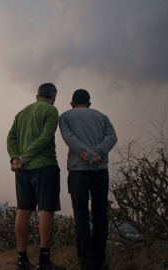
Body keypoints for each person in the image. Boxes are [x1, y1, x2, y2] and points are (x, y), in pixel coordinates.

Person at [59, 89, 117, 270]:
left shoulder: (65, 117)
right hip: (100, 170)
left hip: (78, 171)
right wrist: (97, 153)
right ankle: (100, 259)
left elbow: (70, 139)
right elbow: (112, 138)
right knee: (100, 214)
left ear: (72, 103)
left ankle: (86, 261)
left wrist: (87, 155)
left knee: (81, 215)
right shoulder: (102, 117)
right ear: (89, 104)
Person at [7, 83, 61, 270]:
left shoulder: (21, 113)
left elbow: (11, 138)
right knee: (45, 210)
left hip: (22, 171)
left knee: (23, 210)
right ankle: (44, 261)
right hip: (45, 167)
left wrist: (15, 158)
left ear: (37, 96)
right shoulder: (51, 111)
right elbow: (46, 138)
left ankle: (22, 260)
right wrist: (22, 158)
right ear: (53, 96)